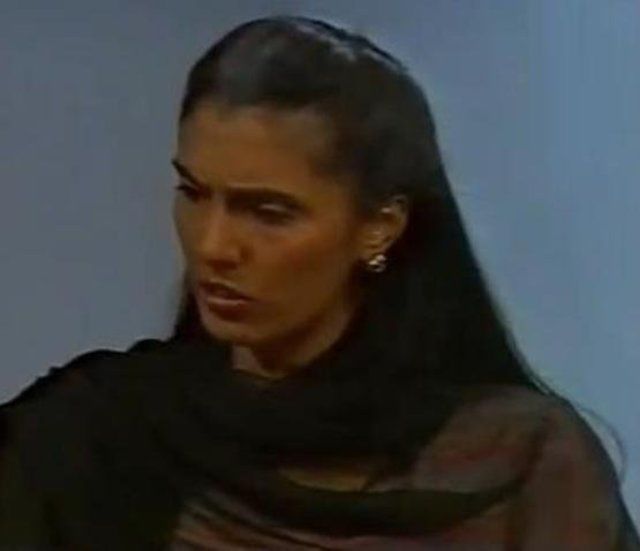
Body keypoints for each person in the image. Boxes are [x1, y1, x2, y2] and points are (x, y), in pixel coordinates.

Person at [0, 15, 638, 550]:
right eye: (194, 194)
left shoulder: (520, 463)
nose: (213, 246)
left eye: (267, 211)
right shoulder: (92, 438)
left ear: (379, 226)